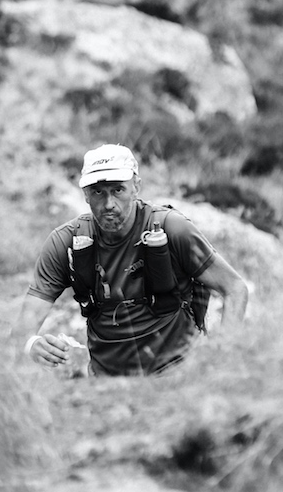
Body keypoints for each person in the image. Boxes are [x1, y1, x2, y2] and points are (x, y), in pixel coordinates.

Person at [14, 144, 249, 376]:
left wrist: (223, 357)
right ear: (85, 195)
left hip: (180, 377)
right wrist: (31, 344)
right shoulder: (65, 242)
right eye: (98, 192)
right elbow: (22, 332)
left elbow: (234, 288)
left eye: (118, 190)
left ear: (136, 187)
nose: (108, 204)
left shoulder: (173, 229)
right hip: (107, 384)